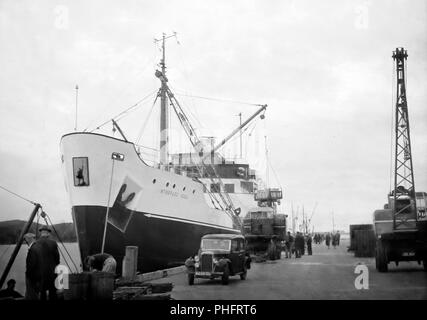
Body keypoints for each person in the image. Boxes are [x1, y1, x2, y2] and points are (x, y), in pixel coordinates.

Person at [32, 226, 60, 300]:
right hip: (52, 272)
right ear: (47, 233)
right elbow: (57, 259)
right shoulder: (53, 243)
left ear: (41, 233)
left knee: (42, 293)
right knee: (53, 292)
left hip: (40, 273)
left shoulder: (35, 243)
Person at [24, 232, 40, 300]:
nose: (25, 241)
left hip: (32, 278)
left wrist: (29, 276)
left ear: (28, 239)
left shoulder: (33, 249)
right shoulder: (36, 247)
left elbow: (32, 265)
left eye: (25, 239)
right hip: (35, 277)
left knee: (32, 296)